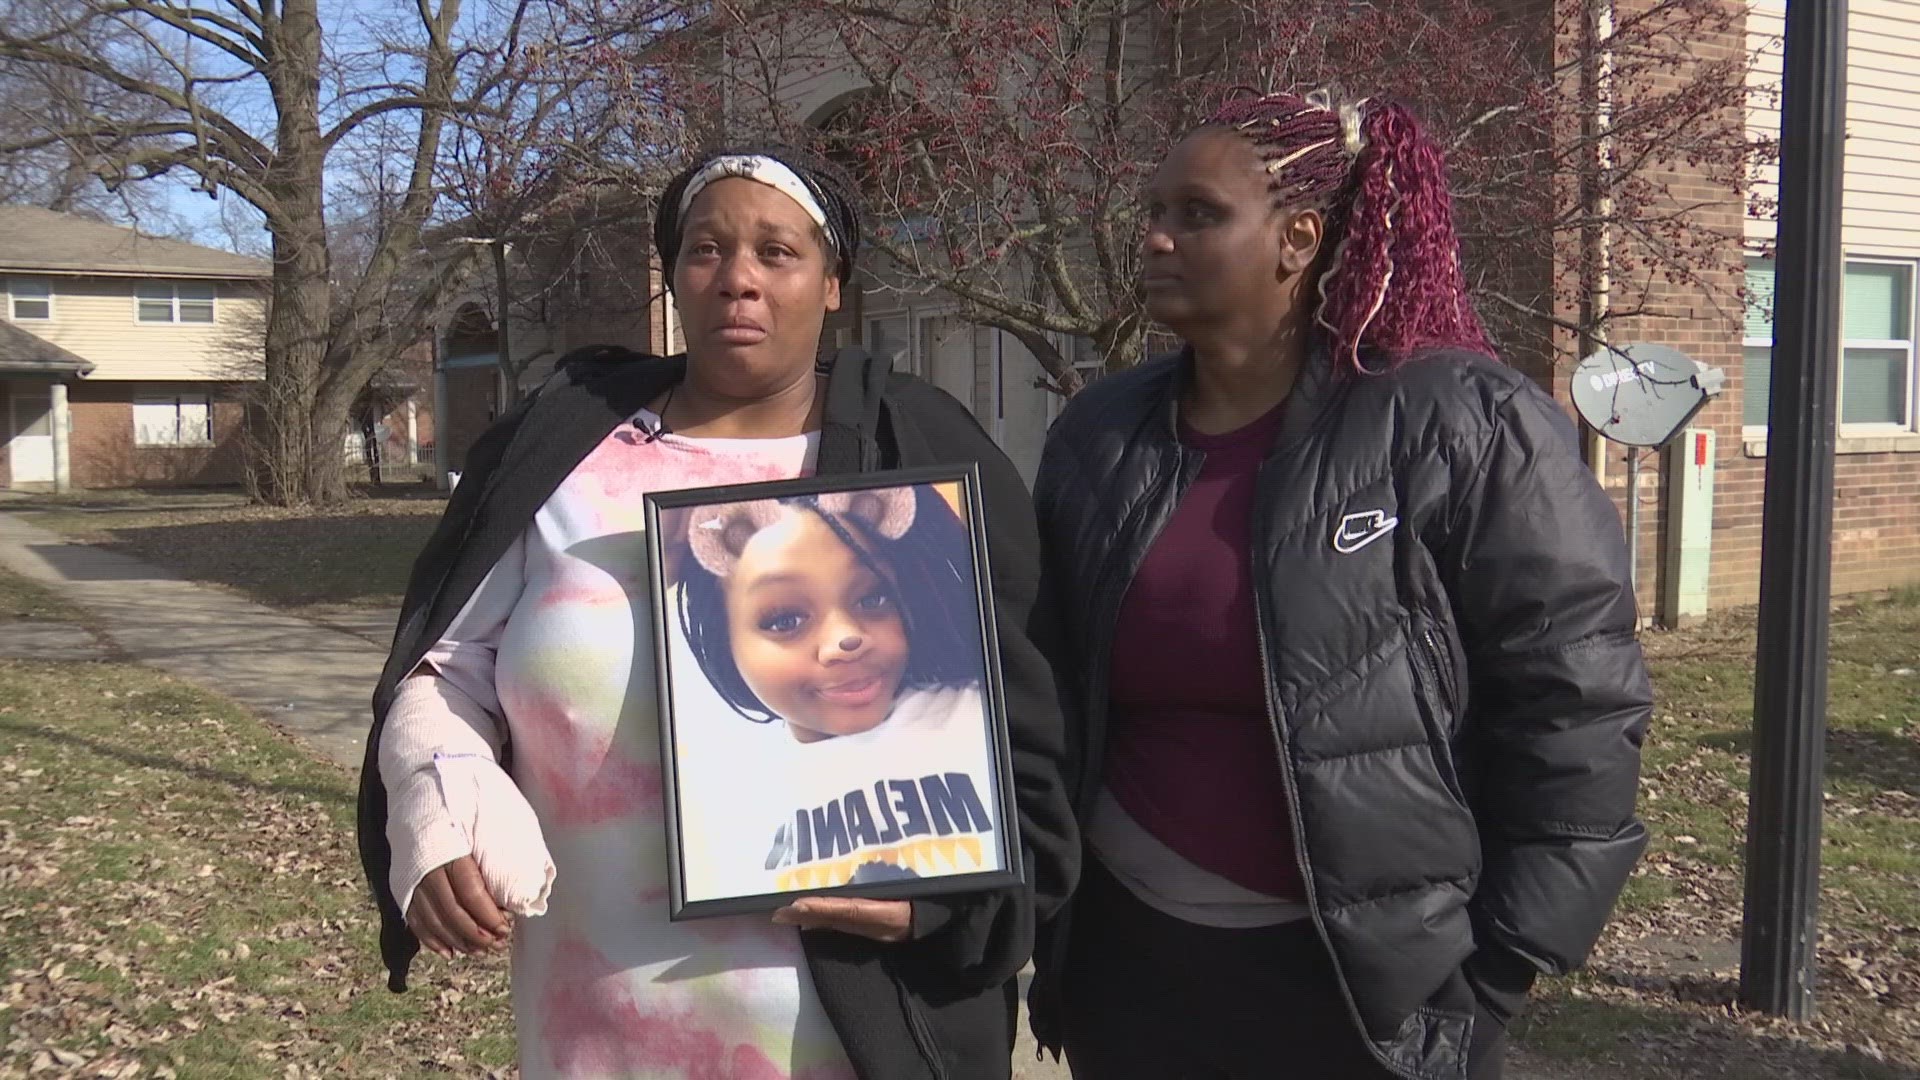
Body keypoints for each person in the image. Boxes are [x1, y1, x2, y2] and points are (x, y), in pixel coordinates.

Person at [355, 144, 1077, 1080]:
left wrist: (950, 906)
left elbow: (1033, 756)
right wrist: (438, 791)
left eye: (778, 252)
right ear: (675, 274)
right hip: (599, 1030)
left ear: (832, 285)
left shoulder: (918, 451)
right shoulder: (566, 449)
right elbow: (445, 668)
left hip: (858, 1040)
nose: (739, 278)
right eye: (706, 250)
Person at [1027, 88, 1650, 1080]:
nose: (1152, 237)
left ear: (1298, 239)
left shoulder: (1464, 425)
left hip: (1365, 994)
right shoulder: (1099, 438)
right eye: (1152, 211)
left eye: (1197, 214)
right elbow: (1044, 689)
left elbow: (1576, 703)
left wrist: (1500, 969)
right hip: (1129, 963)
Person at [670, 484, 1007, 899]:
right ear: (725, 640)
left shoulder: (983, 714)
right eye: (784, 620)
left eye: (873, 597)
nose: (846, 639)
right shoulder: (722, 804)